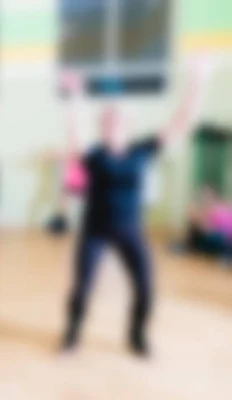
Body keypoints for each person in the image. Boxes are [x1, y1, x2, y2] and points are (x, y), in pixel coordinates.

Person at [60, 61, 214, 358]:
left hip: (131, 231)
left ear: (128, 123)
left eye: (117, 118)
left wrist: (199, 82)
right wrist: (74, 97)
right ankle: (72, 336)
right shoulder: (94, 154)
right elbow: (75, 133)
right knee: (82, 290)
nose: (113, 121)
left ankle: (136, 336)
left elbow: (182, 123)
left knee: (146, 288)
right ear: (101, 125)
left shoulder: (141, 150)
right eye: (107, 119)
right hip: (95, 230)